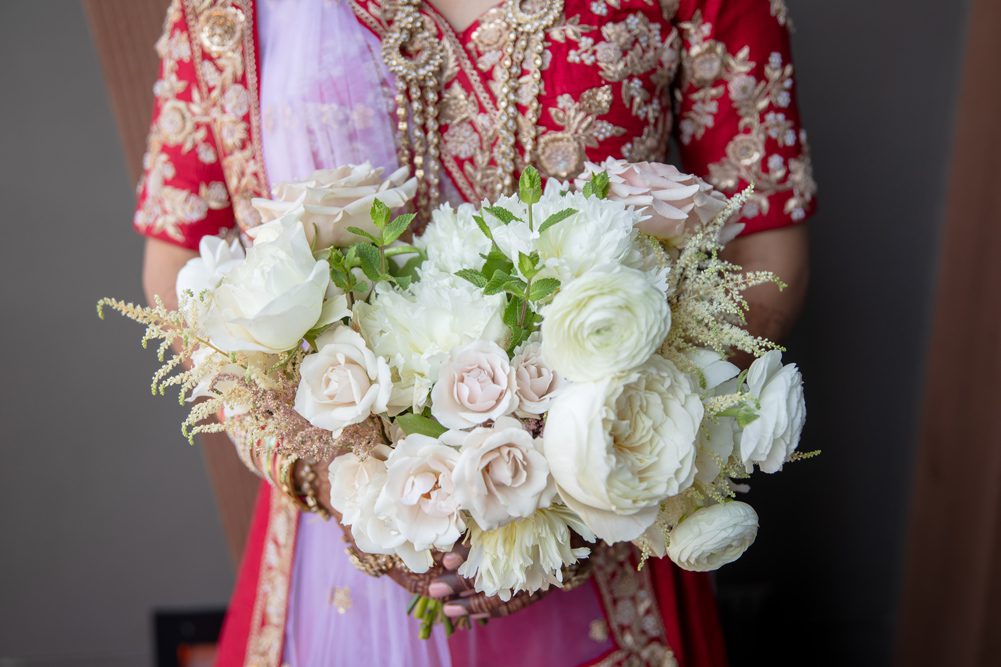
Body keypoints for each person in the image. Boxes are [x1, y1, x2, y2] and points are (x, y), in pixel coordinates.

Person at [137, 0, 813, 665]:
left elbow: (764, 243)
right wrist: (323, 468)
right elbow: (180, 265)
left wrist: (582, 479)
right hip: (339, 556)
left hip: (614, 523)